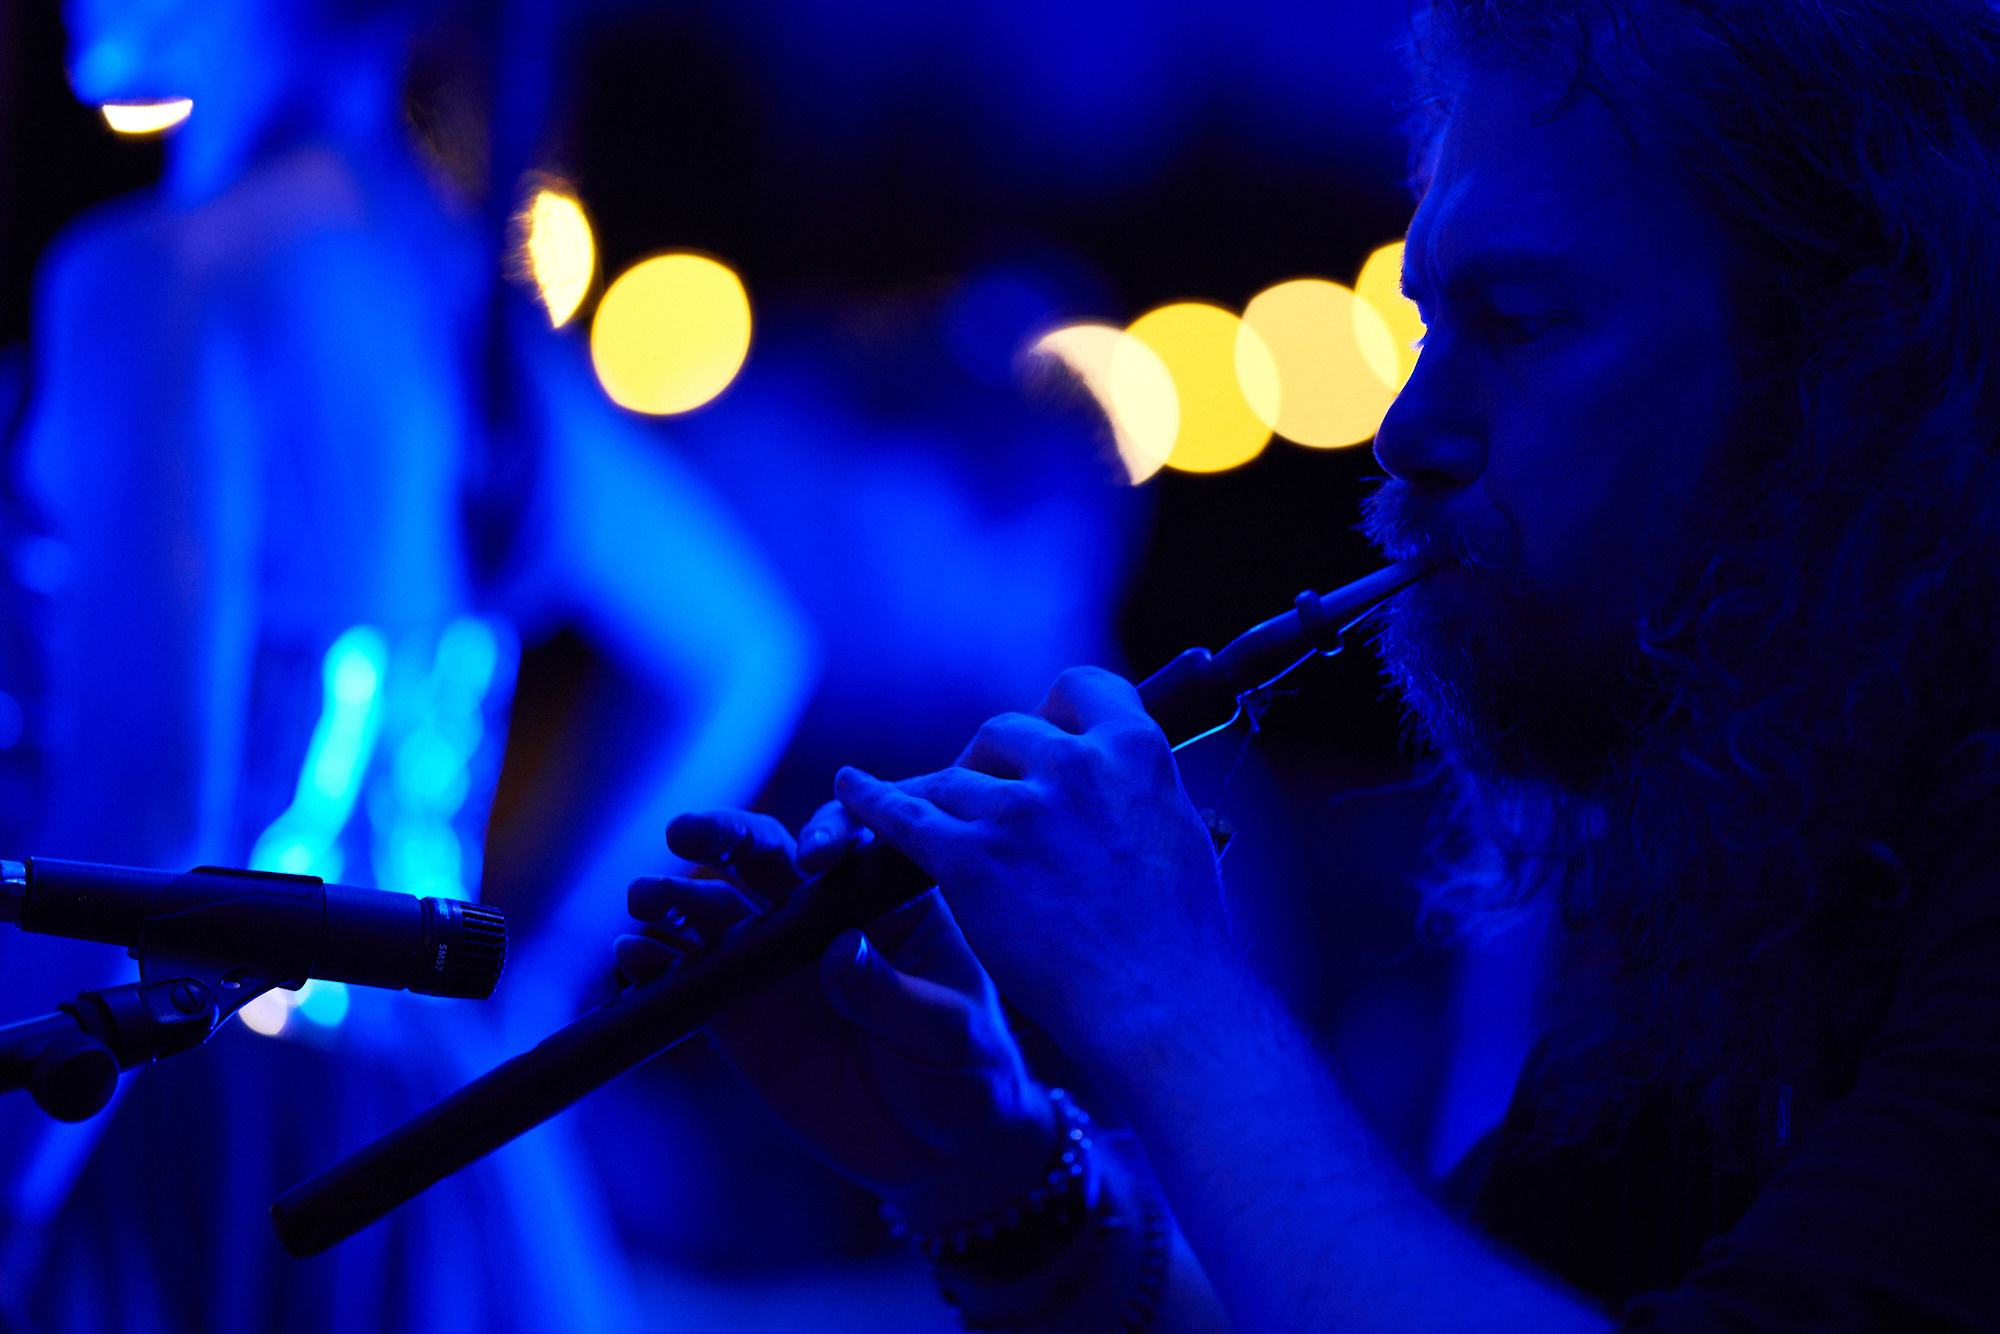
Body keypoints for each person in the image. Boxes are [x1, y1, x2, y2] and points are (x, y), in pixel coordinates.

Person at [617, 0, 2000, 1329]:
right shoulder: (1729, 857)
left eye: (1517, 322)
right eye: (1426, 324)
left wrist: (1172, 998)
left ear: (1848, 365)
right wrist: (1001, 1177)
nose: (1406, 430)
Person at [0, 0, 815, 1327]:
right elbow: (741, 649)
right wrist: (512, 978)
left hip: (161, 1137)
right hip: (422, 1145)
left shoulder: (164, 280)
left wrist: (8, 1187)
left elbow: (146, 814)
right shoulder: (436, 287)